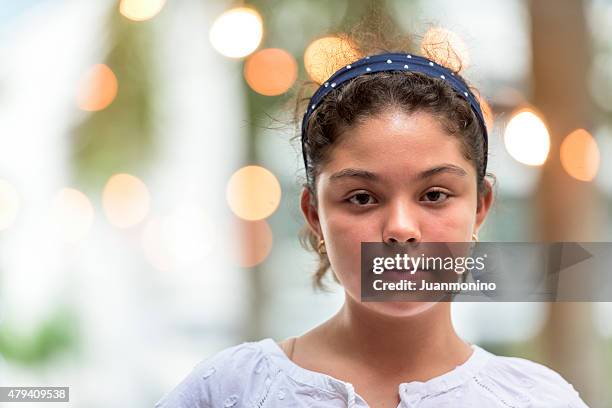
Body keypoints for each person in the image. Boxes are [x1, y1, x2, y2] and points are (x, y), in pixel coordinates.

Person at [155, 32, 590, 408]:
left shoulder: (536, 399)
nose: (401, 228)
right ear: (314, 215)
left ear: (480, 206)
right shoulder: (234, 390)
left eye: (434, 195)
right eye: (362, 198)